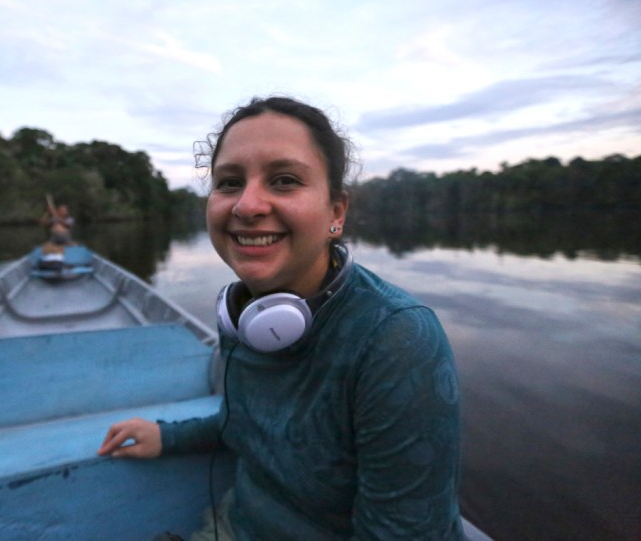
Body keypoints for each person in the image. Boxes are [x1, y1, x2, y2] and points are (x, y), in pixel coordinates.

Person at [97, 96, 464, 540]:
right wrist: (168, 436)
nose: (247, 205)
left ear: (336, 212)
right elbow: (248, 421)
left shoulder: (396, 339)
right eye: (229, 183)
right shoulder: (241, 312)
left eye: (285, 180)